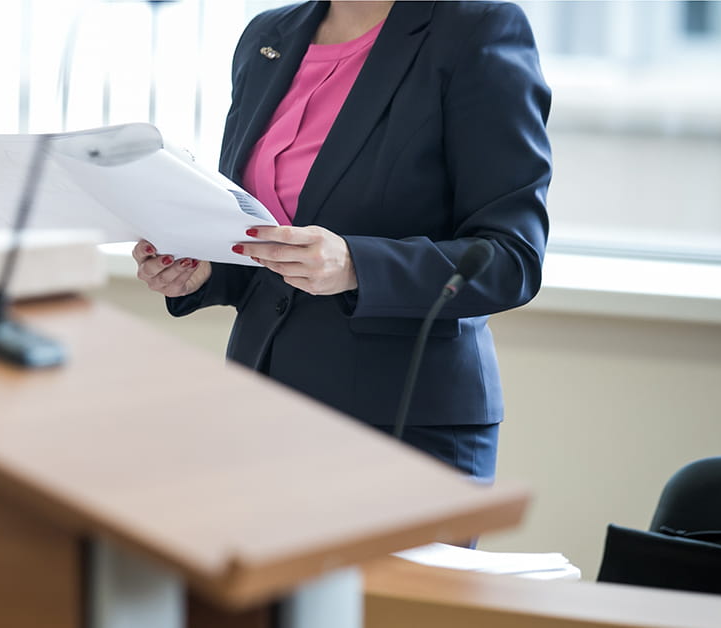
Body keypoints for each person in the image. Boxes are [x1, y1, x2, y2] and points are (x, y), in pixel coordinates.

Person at [132, 0, 551, 481]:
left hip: (404, 429)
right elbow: (264, 228)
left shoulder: (476, 29)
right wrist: (204, 269)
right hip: (264, 410)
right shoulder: (269, 35)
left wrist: (356, 265)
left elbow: (511, 258)